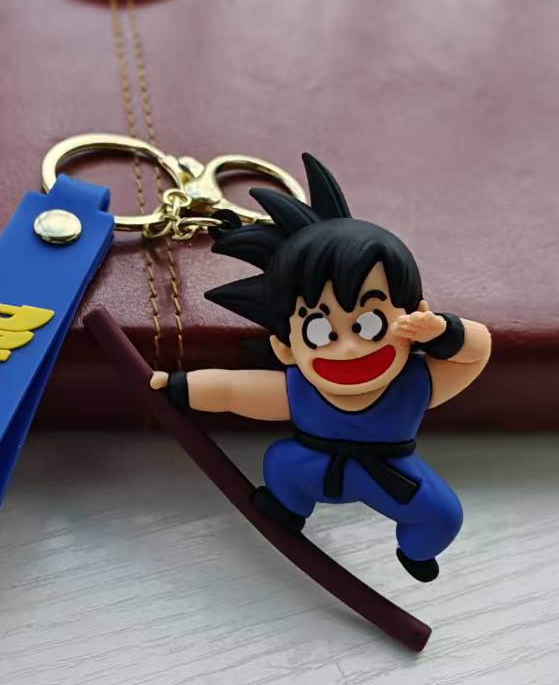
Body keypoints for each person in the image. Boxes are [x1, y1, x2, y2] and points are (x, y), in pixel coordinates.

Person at [151, 153, 492, 583]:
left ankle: (416, 552)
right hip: (312, 471)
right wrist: (177, 386)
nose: (348, 348)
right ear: (285, 347)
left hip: (395, 480)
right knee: (281, 463)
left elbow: (477, 353)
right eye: (319, 331)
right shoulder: (300, 388)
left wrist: (444, 330)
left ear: (414, 316)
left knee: (443, 516)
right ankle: (288, 510)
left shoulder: (414, 383)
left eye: (369, 324)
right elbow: (232, 390)